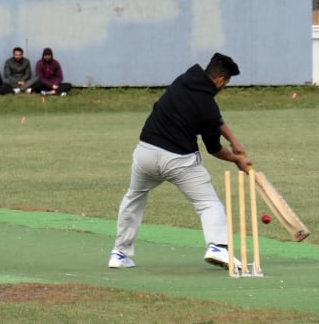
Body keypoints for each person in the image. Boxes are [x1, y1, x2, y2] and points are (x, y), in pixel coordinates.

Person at [107, 53, 252, 270]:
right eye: (226, 83)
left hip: (145, 152)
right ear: (221, 80)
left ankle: (119, 253)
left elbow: (215, 119)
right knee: (208, 203)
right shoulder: (208, 106)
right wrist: (235, 160)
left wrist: (234, 140)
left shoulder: (184, 79)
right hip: (178, 161)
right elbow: (214, 148)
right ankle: (218, 246)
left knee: (134, 196)